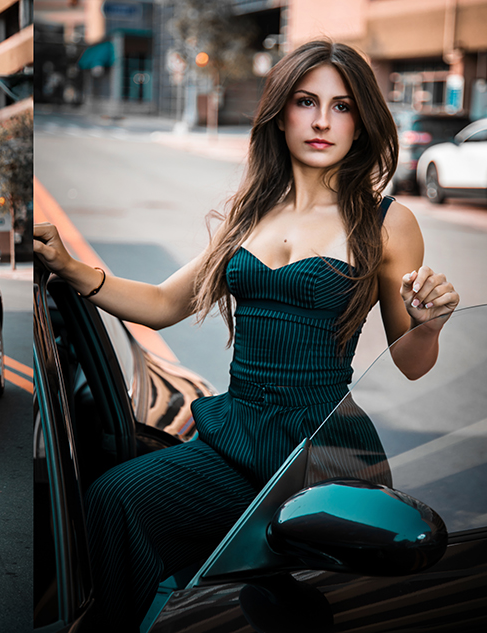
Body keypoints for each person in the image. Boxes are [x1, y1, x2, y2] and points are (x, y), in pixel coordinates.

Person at [34, 40, 459, 631]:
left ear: (361, 122)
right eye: (306, 102)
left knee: (286, 606)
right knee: (115, 498)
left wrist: (429, 325)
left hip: (318, 455)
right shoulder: (249, 213)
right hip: (235, 439)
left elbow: (409, 361)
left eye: (341, 107)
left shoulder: (388, 221)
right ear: (280, 112)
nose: (320, 121)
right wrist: (74, 269)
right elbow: (162, 304)